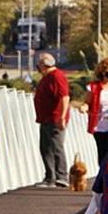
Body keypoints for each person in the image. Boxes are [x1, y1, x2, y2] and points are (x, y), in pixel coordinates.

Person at [34, 52, 70, 187]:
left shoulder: (56, 76)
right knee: (46, 147)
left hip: (54, 118)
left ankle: (61, 176)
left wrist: (62, 116)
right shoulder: (47, 77)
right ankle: (51, 177)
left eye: (39, 64)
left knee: (55, 146)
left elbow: (64, 97)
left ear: (44, 65)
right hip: (46, 118)